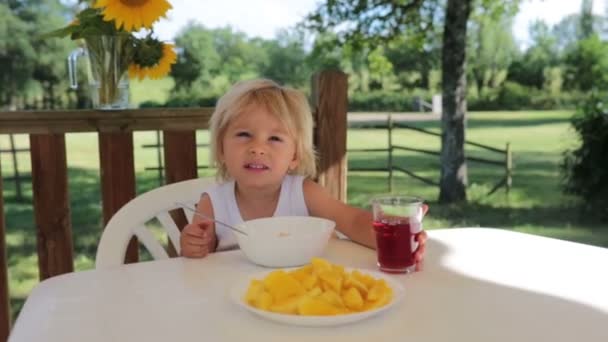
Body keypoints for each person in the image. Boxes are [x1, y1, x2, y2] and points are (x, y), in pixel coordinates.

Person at [179, 79, 428, 270]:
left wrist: (396, 235)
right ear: (221, 148)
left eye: (275, 138)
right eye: (244, 135)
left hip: (301, 296)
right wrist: (193, 245)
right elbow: (199, 262)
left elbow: (352, 222)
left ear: (295, 156)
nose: (257, 148)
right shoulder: (212, 202)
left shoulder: (303, 193)